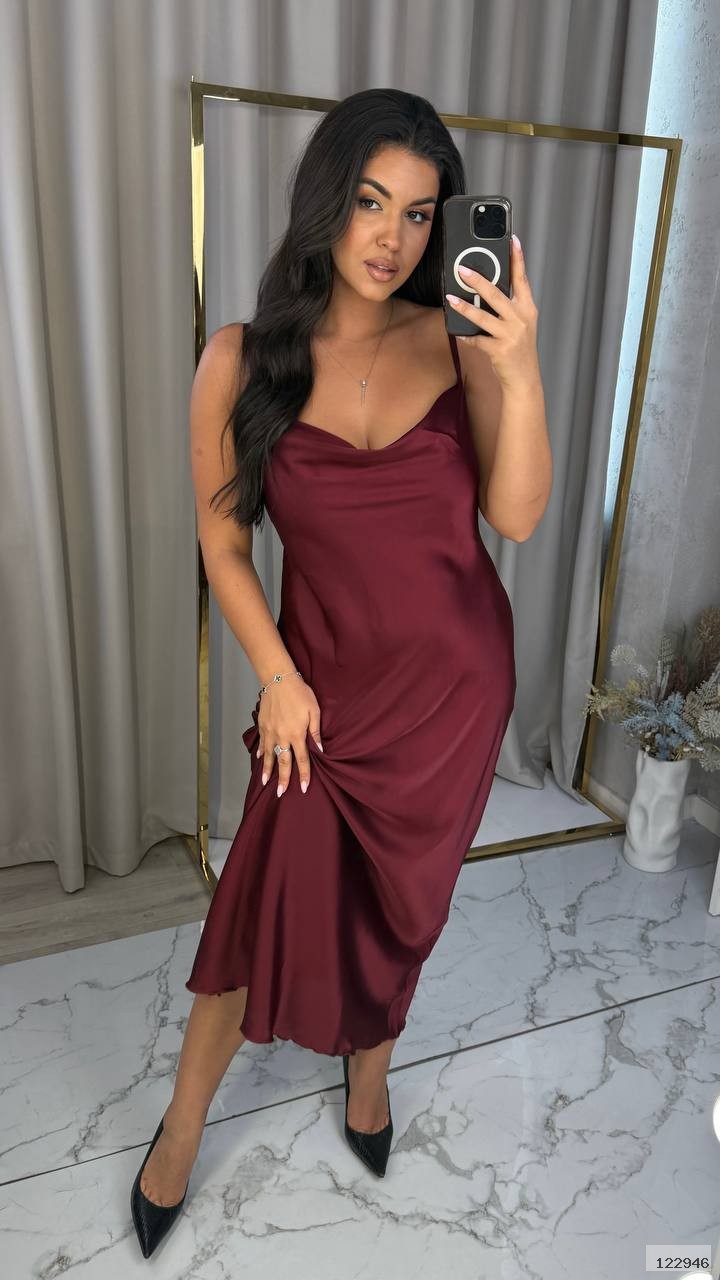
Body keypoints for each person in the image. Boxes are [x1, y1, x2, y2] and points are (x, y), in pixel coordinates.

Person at [131, 85, 537, 1259]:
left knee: (407, 905)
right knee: (257, 901)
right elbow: (223, 543)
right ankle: (180, 1128)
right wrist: (277, 675)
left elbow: (515, 513)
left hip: (454, 693)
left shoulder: (459, 341)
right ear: (326, 197)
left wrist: (520, 366)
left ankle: (370, 1074)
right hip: (318, 696)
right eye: (370, 200)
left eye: (418, 213)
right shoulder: (240, 358)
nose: (391, 236)